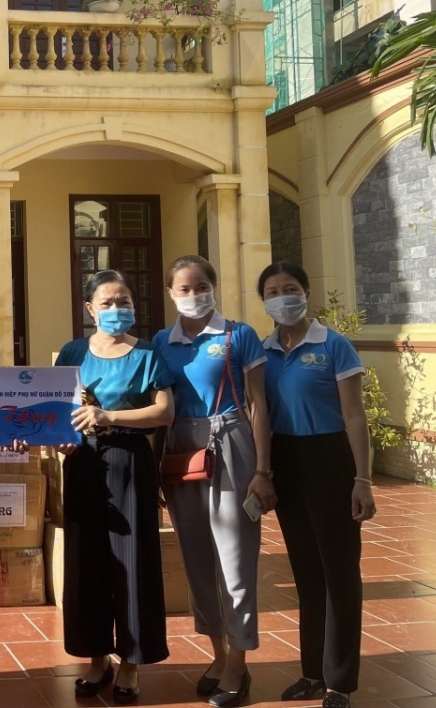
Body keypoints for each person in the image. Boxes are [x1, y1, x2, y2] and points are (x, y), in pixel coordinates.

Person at [152, 256, 276, 707]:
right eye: (183, 288)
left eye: (201, 286)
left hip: (230, 441)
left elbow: (259, 403)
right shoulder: (162, 342)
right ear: (170, 293)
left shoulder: (237, 335)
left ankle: (239, 665)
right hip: (182, 448)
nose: (193, 294)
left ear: (214, 286)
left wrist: (262, 470)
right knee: (197, 561)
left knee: (235, 560)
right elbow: (159, 409)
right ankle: (218, 654)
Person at [259, 262, 375, 708]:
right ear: (263, 300)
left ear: (306, 293)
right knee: (306, 572)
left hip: (331, 460)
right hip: (287, 461)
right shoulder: (263, 351)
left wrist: (362, 479)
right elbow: (260, 412)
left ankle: (339, 681)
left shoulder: (333, 345)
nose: (282, 296)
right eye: (272, 290)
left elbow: (354, 416)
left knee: (339, 571)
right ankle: (312, 672)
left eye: (290, 288)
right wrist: (264, 471)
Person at [56, 269, 174, 705]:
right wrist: (60, 442)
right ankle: (96, 657)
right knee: (86, 562)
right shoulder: (71, 352)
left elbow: (164, 412)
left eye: (123, 301)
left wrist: (109, 418)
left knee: (134, 561)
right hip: (83, 463)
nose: (116, 309)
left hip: (128, 460)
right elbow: (56, 410)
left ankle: (131, 661)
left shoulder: (147, 354)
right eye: (106, 303)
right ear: (89, 309)